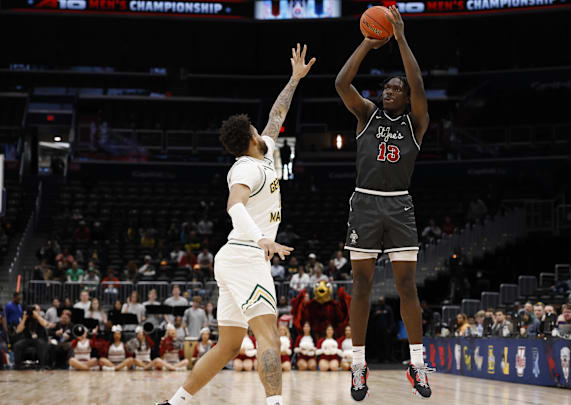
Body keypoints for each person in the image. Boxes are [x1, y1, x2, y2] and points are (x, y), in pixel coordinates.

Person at [156, 43, 313, 405]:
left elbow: (277, 115)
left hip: (233, 258)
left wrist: (294, 79)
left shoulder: (264, 153)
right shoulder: (245, 168)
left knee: (228, 346)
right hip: (245, 255)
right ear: (252, 138)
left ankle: (174, 403)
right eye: (259, 130)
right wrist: (262, 240)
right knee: (269, 338)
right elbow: (233, 206)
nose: (265, 130)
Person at [336, 8, 432, 398]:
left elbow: (419, 82)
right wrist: (368, 42)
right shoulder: (367, 115)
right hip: (365, 203)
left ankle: (418, 363)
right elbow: (342, 82)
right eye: (385, 88)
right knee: (361, 284)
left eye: (395, 88)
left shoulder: (416, 122)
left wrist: (402, 37)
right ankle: (358, 364)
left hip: (399, 205)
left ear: (406, 97)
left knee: (407, 286)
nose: (388, 91)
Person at [14, 304, 51, 369]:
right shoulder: (26, 318)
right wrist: (24, 318)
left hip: (40, 339)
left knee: (41, 344)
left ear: (39, 311)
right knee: (17, 345)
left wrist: (37, 316)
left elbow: (45, 324)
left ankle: (41, 365)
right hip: (28, 339)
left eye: (36, 310)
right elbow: (18, 330)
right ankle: (18, 366)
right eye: (34, 310)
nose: (34, 312)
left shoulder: (41, 317)